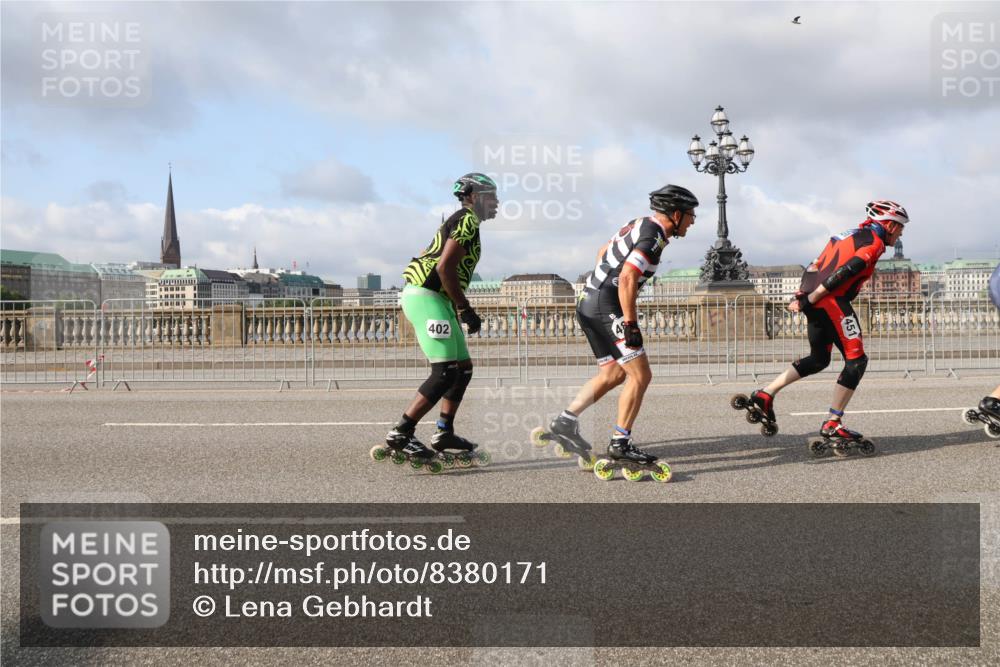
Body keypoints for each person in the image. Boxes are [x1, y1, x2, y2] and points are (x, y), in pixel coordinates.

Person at [546, 184, 699, 472]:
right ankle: (621, 443)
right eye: (691, 215)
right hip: (607, 306)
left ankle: (565, 421)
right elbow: (628, 277)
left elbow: (604, 250)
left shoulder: (638, 224)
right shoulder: (654, 236)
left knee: (614, 373)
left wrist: (600, 284)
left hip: (588, 301)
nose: (692, 222)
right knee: (640, 375)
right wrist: (629, 323)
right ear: (676, 214)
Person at [745, 200, 908, 441]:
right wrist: (811, 299)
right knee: (857, 361)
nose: (901, 233)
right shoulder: (873, 243)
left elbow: (815, 265)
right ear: (891, 225)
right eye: (901, 227)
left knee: (819, 359)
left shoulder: (845, 235)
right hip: (832, 302)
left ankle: (766, 394)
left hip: (816, 301)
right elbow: (845, 272)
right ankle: (833, 422)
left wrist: (802, 295)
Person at [383, 173, 499, 465]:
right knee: (445, 371)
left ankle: (444, 432)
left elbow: (430, 255)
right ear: (473, 196)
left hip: (437, 299)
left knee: (463, 369)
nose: (497, 202)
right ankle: (402, 433)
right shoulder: (467, 220)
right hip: (428, 297)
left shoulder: (461, 220)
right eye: (491, 196)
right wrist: (465, 308)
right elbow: (445, 268)